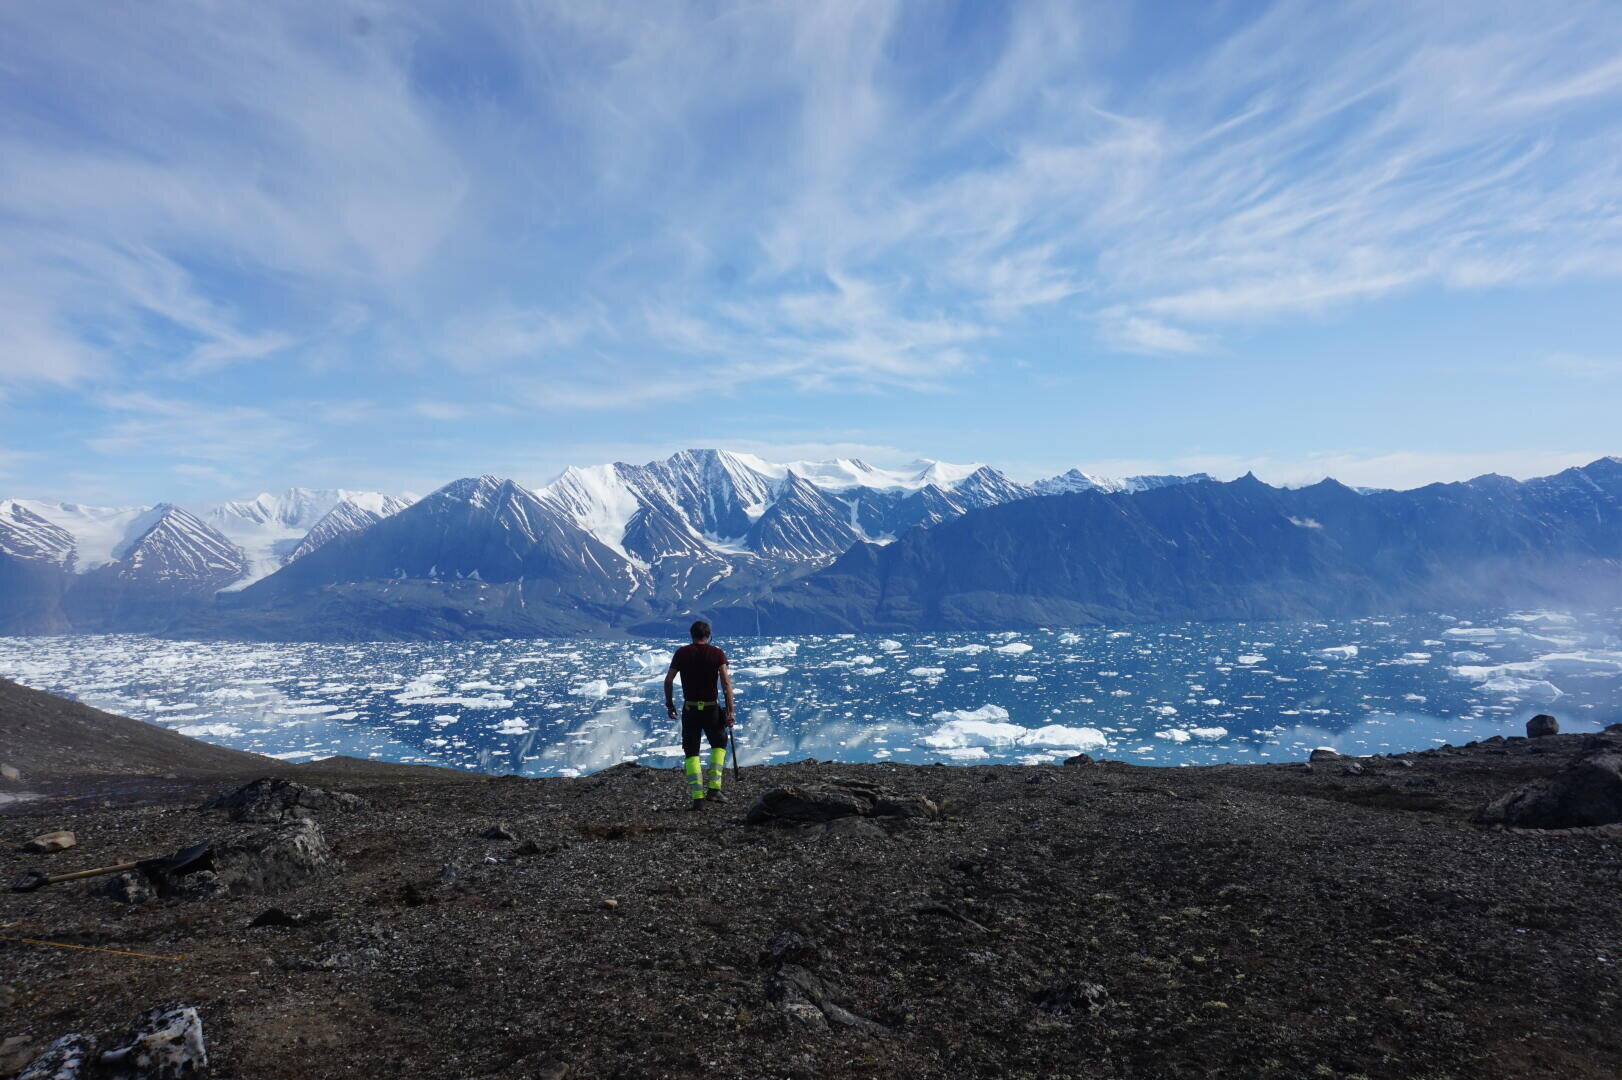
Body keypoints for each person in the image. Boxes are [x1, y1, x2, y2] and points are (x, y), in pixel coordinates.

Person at [664, 619, 735, 809]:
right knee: (719, 744)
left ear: (691, 635)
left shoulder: (682, 653)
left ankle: (698, 799)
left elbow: (668, 680)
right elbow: (726, 684)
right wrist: (730, 711)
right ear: (708, 635)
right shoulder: (717, 653)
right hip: (712, 708)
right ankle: (714, 790)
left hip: (690, 709)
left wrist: (669, 704)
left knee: (691, 751)